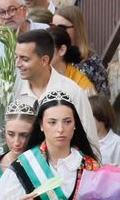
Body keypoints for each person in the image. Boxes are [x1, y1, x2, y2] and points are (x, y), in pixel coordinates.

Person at [8, 30, 99, 160]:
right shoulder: (15, 90)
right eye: (16, 57)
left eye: (25, 59)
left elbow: (91, 142)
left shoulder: (72, 92)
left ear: (44, 60)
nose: (18, 64)